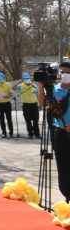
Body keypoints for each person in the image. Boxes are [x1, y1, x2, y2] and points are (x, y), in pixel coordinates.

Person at [52, 61, 70, 202]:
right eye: (62, 72)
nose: (65, 75)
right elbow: (42, 104)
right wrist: (41, 87)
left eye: (68, 72)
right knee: (63, 166)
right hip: (60, 133)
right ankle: (67, 196)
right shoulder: (54, 89)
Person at [16, 72, 40, 139]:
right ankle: (30, 134)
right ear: (23, 79)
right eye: (26, 78)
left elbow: (38, 95)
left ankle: (37, 134)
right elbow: (12, 88)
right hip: (26, 106)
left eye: (28, 78)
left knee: (35, 121)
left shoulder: (34, 86)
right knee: (28, 121)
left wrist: (39, 104)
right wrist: (19, 81)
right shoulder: (20, 86)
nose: (27, 79)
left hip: (34, 105)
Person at [0, 72, 14, 138]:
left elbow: (11, 93)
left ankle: (11, 132)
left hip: (7, 103)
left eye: (1, 79)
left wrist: (8, 96)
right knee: (1, 119)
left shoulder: (8, 85)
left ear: (3, 78)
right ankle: (4, 132)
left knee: (9, 119)